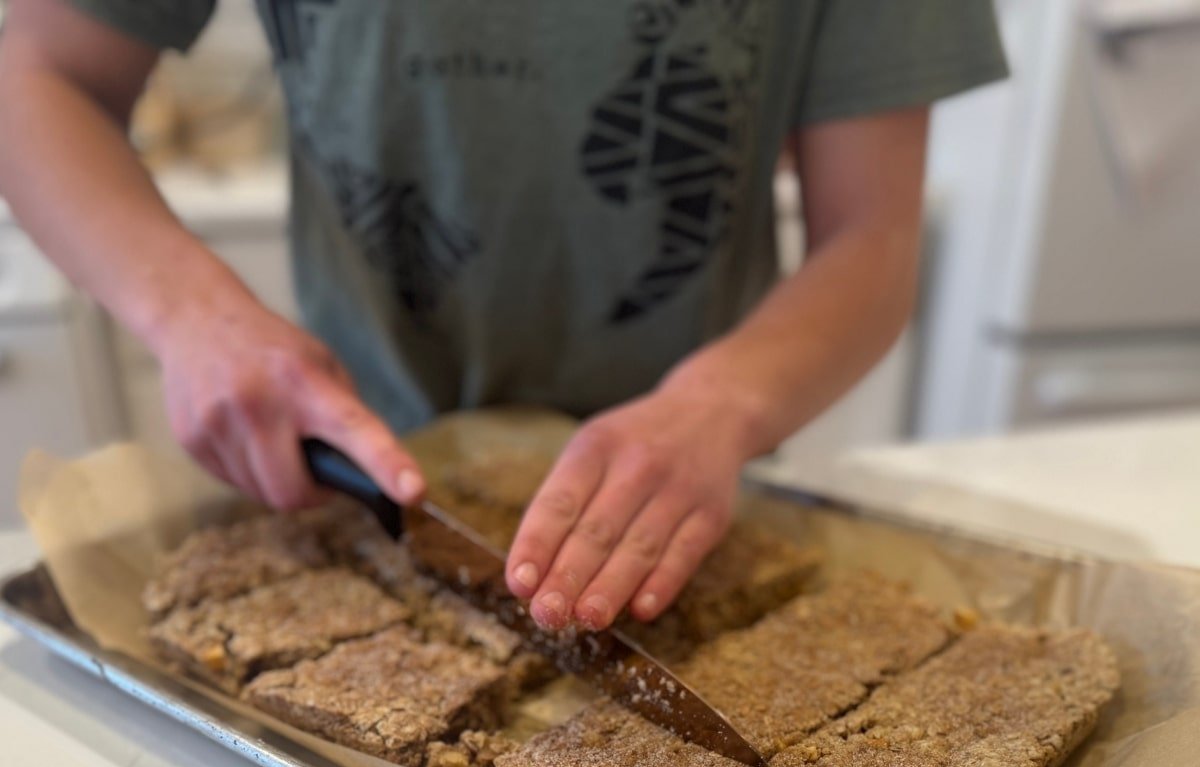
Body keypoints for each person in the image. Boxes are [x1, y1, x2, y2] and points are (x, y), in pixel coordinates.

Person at [0, 0, 1005, 632]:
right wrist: (192, 316)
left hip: (696, 503)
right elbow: (38, 75)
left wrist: (724, 402)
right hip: (360, 480)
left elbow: (871, 239)